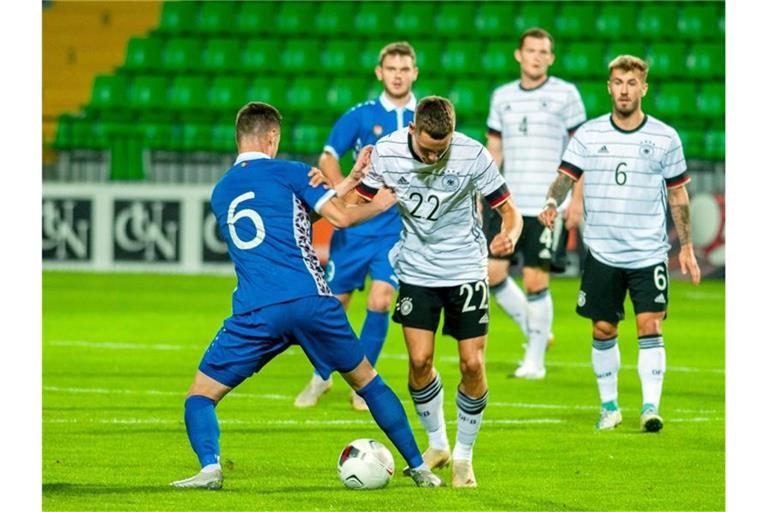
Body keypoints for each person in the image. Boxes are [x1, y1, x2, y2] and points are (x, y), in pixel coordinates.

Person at [170, 102, 443, 489]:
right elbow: (341, 218)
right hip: (310, 301)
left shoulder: (221, 191)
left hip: (255, 311)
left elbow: (289, 216)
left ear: (239, 137)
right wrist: (381, 202)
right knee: (368, 382)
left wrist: (347, 181)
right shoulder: (292, 171)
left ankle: (210, 468)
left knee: (200, 396)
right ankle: (419, 467)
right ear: (272, 137)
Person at [355, 96, 523, 487]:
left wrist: (508, 236)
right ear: (413, 129)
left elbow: (509, 210)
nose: (434, 159)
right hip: (416, 269)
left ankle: (464, 455)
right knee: (419, 361)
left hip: (465, 269)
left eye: (441, 150)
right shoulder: (387, 152)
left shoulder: (472, 154)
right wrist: (353, 177)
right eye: (428, 150)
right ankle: (438, 442)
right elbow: (353, 204)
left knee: (472, 365)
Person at [538, 55, 701, 432]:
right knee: (603, 330)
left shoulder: (665, 137)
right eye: (618, 82)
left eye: (632, 83)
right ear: (608, 87)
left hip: (648, 252)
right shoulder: (590, 135)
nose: (624, 90)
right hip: (602, 251)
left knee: (650, 325)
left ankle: (649, 408)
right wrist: (551, 201)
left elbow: (678, 195)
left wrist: (687, 246)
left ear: (643, 87)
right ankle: (609, 406)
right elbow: (565, 177)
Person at [294, 42, 419, 412]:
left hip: (395, 229)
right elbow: (328, 156)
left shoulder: (423, 116)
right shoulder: (361, 115)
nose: (398, 74)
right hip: (355, 226)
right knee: (335, 305)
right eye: (391, 68)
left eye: (405, 68)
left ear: (415, 73)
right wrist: (340, 196)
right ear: (380, 73)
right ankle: (322, 374)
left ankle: (363, 383)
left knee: (381, 300)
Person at [484, 27, 587, 379]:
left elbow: (579, 152)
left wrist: (576, 201)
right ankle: (537, 333)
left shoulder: (566, 95)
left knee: (534, 281)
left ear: (551, 58)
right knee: (492, 274)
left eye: (544, 52)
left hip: (548, 206)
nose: (537, 57)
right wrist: (484, 190)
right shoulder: (502, 97)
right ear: (519, 54)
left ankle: (535, 362)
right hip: (509, 205)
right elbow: (494, 150)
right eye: (532, 50)